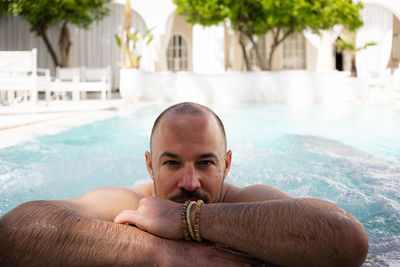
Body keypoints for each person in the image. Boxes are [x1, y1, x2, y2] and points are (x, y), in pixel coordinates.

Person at [0, 102, 368, 266]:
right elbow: (14, 234)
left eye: (206, 163)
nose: (189, 182)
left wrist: (187, 221)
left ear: (226, 165)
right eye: (171, 163)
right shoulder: (130, 203)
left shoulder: (247, 201)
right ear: (149, 165)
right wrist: (170, 254)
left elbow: (348, 240)